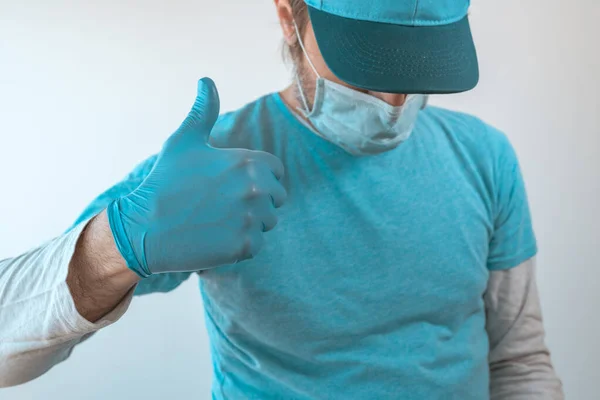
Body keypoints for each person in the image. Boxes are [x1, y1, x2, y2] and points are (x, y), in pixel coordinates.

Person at [0, 0, 563, 398]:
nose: (395, 101)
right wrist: (118, 243)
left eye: (417, 70)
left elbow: (518, 360)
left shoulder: (485, 157)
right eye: (366, 71)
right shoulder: (215, 165)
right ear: (288, 14)